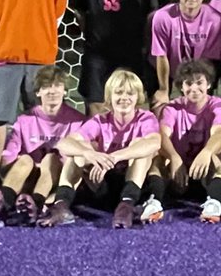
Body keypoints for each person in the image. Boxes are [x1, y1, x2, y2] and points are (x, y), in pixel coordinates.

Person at [47, 69, 161, 228]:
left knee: (140, 146)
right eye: (119, 93)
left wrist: (114, 157)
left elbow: (154, 143)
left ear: (138, 97)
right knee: (79, 150)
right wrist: (90, 154)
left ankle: (126, 207)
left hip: (134, 186)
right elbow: (64, 143)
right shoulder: (101, 120)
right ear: (109, 97)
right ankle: (61, 206)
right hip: (103, 183)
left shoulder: (145, 118)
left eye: (130, 93)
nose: (124, 98)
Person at [0, 65, 84, 227]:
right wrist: (0, 163)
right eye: (46, 86)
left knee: (51, 159)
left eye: (57, 86)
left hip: (57, 182)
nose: (52, 91)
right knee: (25, 160)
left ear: (65, 91)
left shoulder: (77, 120)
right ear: (38, 92)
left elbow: (74, 164)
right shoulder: (25, 120)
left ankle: (36, 203)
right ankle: (3, 203)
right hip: (26, 180)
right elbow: (9, 154)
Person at [147, 59, 221, 224]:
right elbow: (162, 135)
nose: (194, 88)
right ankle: (154, 202)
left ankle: (214, 202)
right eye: (188, 83)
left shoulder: (218, 106)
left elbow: (219, 133)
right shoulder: (172, 108)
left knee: (218, 155)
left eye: (199, 83)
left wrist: (206, 152)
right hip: (179, 172)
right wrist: (173, 157)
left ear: (208, 84)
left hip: (204, 170)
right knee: (157, 158)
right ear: (181, 87)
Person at [150, 0, 221, 108]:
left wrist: (195, 87)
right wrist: (164, 89)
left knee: (199, 106)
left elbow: (208, 60)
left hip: (198, 69)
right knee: (160, 104)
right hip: (164, 69)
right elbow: (161, 56)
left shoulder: (215, 19)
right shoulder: (163, 17)